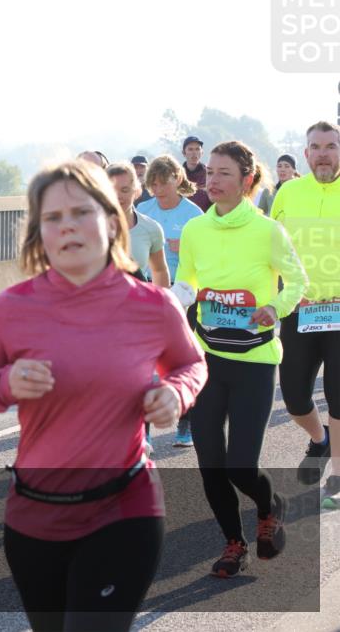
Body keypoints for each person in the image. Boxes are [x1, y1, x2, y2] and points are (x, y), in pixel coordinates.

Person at [0, 161, 207, 632]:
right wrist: (4, 385)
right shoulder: (11, 310)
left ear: (111, 222)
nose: (66, 226)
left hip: (124, 507)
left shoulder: (153, 306)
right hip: (33, 517)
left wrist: (176, 393)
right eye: (52, 218)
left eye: (80, 212)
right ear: (38, 234)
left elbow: (191, 364)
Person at [174, 140, 308, 577]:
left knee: (240, 465)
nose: (212, 180)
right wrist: (167, 309)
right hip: (208, 361)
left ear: (247, 181)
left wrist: (276, 307)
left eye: (223, 173)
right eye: (209, 172)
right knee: (210, 463)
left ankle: (270, 506)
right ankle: (234, 543)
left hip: (255, 361)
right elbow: (187, 284)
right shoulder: (196, 229)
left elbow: (297, 282)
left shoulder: (268, 230)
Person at [271, 122, 340, 508]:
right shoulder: (288, 192)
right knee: (296, 397)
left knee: (339, 396)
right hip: (299, 310)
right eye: (316, 146)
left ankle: (338, 477)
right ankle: (319, 440)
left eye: (331, 145)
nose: (324, 153)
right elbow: (271, 247)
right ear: (306, 152)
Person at [138, 155, 204, 447]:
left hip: (184, 294)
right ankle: (143, 432)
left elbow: (207, 257)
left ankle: (186, 423)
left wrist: (188, 248)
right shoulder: (142, 210)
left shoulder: (194, 214)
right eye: (153, 184)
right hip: (148, 292)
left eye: (164, 183)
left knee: (180, 360)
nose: (158, 189)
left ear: (177, 179)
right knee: (143, 363)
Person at [107, 162, 171, 286]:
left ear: (135, 191)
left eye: (124, 190)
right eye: (111, 190)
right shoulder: (88, 229)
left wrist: (162, 302)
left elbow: (159, 271)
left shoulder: (151, 228)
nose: (118, 196)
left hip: (137, 303)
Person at [182, 135, 213, 212]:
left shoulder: (210, 174)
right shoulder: (177, 175)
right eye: (190, 149)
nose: (194, 153)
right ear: (183, 153)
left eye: (197, 149)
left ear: (202, 152)